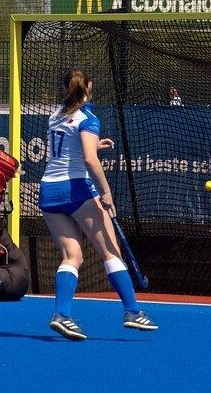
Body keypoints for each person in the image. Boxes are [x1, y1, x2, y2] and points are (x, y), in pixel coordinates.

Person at [39, 68, 158, 341]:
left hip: (49, 192)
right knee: (111, 251)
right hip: (76, 189)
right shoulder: (87, 117)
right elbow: (90, 161)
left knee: (73, 256)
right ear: (89, 87)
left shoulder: (55, 116)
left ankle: (62, 315)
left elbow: (70, 150)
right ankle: (132, 311)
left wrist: (94, 146)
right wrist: (106, 193)